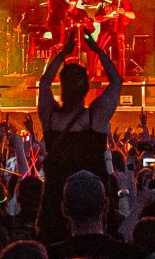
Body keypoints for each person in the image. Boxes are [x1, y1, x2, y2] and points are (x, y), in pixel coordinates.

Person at [38, 30, 123, 244]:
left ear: (62, 87)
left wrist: (63, 54)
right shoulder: (96, 117)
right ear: (86, 87)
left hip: (56, 202)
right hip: (94, 198)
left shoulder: (50, 118)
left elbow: (44, 84)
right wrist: (97, 50)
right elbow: (116, 82)